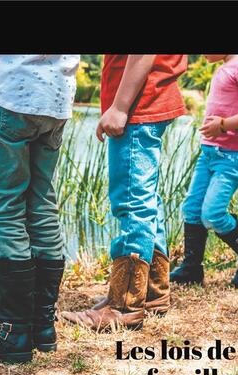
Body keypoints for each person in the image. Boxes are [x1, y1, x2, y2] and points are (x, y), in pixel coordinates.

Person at [0, 54, 80, 363]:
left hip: (11, 91)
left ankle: (12, 331)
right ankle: (41, 326)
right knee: (42, 205)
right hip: (56, 96)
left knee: (6, 208)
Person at [61, 54, 187, 332]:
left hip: (138, 105)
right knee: (146, 199)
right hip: (144, 101)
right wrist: (114, 106)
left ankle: (123, 306)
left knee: (132, 201)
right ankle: (153, 293)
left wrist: (119, 106)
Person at [170, 54, 238, 288]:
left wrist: (224, 124)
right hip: (210, 153)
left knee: (212, 213)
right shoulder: (227, 65)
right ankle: (191, 268)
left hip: (233, 156)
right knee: (192, 209)